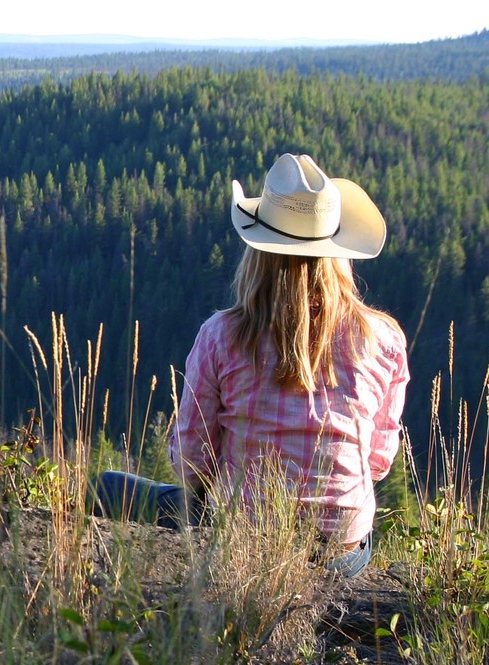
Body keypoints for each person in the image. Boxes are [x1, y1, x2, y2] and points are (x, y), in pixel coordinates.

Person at [95, 153, 410, 578]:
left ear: (259, 251)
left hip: (243, 537)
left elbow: (193, 461)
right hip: (341, 554)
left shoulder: (222, 335)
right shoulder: (383, 339)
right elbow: (377, 461)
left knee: (107, 489)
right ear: (338, 252)